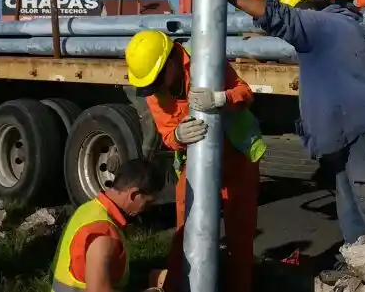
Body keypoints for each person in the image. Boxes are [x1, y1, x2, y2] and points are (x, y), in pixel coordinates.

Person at [223, 0, 365, 253]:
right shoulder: (343, 26)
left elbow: (281, 19)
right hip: (353, 133)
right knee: (352, 210)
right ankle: (364, 268)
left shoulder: (319, 24)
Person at [123, 30, 265, 292]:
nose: (156, 91)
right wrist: (177, 135)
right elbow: (167, 134)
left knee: (240, 239)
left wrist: (223, 98)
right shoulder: (155, 91)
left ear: (171, 62)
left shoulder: (206, 63)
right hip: (197, 165)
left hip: (238, 159)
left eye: (157, 82)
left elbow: (245, 92)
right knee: (186, 235)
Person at [50, 157, 164, 292]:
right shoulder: (104, 235)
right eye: (148, 202)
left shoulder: (89, 208)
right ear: (134, 195)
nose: (148, 209)